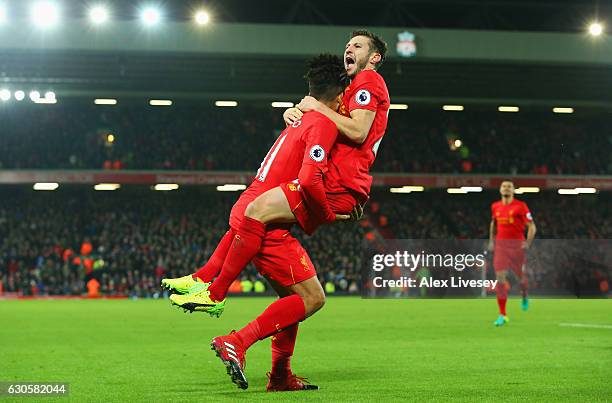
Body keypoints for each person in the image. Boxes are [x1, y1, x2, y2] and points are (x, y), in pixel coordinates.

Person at [163, 30, 390, 313]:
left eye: (357, 45)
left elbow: (357, 131)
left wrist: (315, 108)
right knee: (253, 221)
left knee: (254, 213)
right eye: (347, 45)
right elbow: (329, 114)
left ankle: (215, 292)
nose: (349, 49)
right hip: (338, 179)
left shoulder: (369, 79)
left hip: (339, 183)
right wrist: (298, 115)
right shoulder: (351, 92)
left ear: (374, 57)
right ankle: (206, 283)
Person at [488, 180, 537, 327]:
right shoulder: (495, 206)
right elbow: (493, 224)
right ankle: (502, 314)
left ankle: (524, 295)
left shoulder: (521, 206)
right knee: (500, 279)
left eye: (509, 186)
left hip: (517, 248)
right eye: (504, 186)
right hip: (501, 247)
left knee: (521, 278)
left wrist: (527, 243)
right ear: (500, 190)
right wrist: (491, 241)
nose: (506, 188)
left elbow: (532, 227)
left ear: (513, 190)